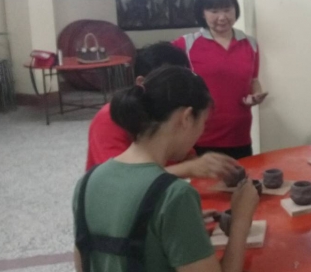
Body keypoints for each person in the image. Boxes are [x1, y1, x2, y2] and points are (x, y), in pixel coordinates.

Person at [73, 66, 260, 272]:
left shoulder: (88, 182)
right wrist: (241, 220)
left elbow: (84, 270)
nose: (199, 135)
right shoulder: (174, 195)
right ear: (186, 118)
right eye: (203, 124)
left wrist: (166, 230)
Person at [86, 42, 240, 180]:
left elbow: (186, 157)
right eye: (173, 85)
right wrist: (188, 168)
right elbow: (121, 180)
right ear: (141, 82)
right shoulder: (111, 118)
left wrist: (206, 165)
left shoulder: (174, 113)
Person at [173, 0, 266, 160]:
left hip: (240, 136)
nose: (222, 17)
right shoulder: (186, 44)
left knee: (242, 176)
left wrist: (256, 95)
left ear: (235, 9)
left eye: (227, 9)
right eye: (214, 11)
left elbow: (253, 80)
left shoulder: (250, 44)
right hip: (199, 138)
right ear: (202, 13)